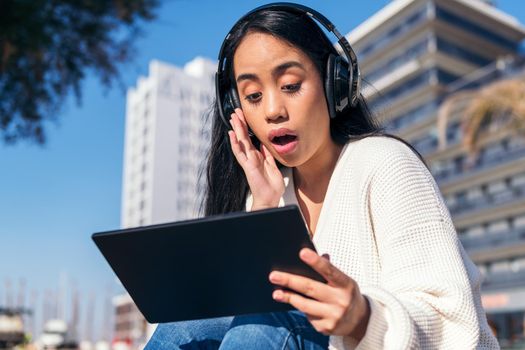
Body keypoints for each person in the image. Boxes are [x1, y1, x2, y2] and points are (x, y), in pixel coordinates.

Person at [146, 3, 499, 349]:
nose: (272, 111)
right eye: (253, 96)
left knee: (266, 325)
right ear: (235, 111)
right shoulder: (265, 194)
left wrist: (363, 318)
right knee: (185, 327)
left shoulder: (386, 163)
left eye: (290, 85)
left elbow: (457, 324)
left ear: (335, 83)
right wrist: (263, 213)